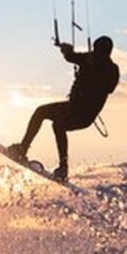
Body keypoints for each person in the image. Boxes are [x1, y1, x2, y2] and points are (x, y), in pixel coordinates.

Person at [7, 35, 119, 181]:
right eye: (95, 50)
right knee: (40, 112)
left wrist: (89, 70)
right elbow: (71, 57)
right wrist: (66, 50)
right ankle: (23, 148)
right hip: (72, 107)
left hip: (85, 116)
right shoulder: (89, 58)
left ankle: (63, 167)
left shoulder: (111, 69)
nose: (95, 53)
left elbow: (108, 88)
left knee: (59, 125)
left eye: (98, 51)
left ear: (107, 52)